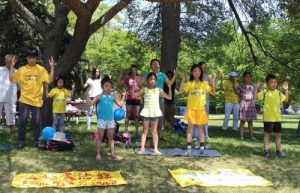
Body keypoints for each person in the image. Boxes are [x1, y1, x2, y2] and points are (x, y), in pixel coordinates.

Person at [9, 47, 55, 149]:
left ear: (36, 58)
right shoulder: (22, 69)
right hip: (24, 100)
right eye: (30, 57)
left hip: (37, 101)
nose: (31, 60)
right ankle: (21, 141)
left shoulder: (41, 69)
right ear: (27, 58)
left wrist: (52, 68)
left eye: (34, 57)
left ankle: (37, 141)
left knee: (37, 123)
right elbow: (12, 79)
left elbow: (49, 80)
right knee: (22, 122)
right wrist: (12, 66)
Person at [179, 64, 216, 154]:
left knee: (201, 129)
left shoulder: (204, 83)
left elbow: (213, 93)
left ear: (201, 72)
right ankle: (189, 149)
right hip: (191, 109)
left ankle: (202, 149)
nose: (197, 72)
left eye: (199, 71)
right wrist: (183, 80)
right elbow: (180, 92)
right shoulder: (190, 83)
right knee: (190, 128)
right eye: (195, 70)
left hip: (201, 110)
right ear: (192, 72)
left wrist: (213, 83)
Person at [86, 75, 125, 160]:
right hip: (101, 120)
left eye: (110, 86)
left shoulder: (112, 96)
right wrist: (86, 95)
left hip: (110, 120)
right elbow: (90, 104)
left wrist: (124, 96)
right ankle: (98, 154)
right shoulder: (99, 96)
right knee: (100, 137)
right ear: (102, 86)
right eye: (106, 86)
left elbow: (120, 104)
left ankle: (113, 154)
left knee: (111, 137)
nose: (108, 88)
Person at [132, 72, 172, 155]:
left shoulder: (159, 90)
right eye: (150, 79)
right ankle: (142, 148)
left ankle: (156, 149)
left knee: (154, 131)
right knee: (145, 131)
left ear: (156, 81)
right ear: (147, 81)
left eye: (154, 79)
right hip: (146, 112)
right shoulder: (144, 89)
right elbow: (133, 96)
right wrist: (133, 85)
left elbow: (169, 97)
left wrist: (169, 87)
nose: (152, 81)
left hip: (155, 112)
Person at [256, 74, 289, 158]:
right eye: (271, 82)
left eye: (275, 82)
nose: (274, 84)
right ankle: (266, 151)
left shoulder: (278, 92)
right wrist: (256, 88)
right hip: (268, 118)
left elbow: (286, 100)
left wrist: (286, 90)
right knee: (267, 135)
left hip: (277, 118)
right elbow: (255, 97)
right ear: (267, 84)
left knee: (278, 135)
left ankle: (278, 151)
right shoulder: (264, 93)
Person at [143, 59, 176, 141]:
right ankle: (149, 135)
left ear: (159, 65)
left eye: (157, 64)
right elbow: (140, 82)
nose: (155, 65)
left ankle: (160, 135)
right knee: (149, 116)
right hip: (150, 98)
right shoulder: (148, 74)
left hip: (160, 98)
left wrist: (175, 75)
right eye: (153, 64)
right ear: (151, 66)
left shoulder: (162, 75)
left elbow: (169, 83)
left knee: (160, 116)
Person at [198, 61, 221, 138]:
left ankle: (206, 134)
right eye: (203, 67)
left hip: (206, 100)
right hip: (197, 101)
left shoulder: (207, 77)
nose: (204, 69)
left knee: (206, 117)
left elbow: (213, 83)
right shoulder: (196, 76)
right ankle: (197, 134)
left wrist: (218, 76)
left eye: (205, 67)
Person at [0, 54, 18, 137]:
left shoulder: (17, 72)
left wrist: (13, 92)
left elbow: (20, 87)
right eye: (7, 62)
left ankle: (13, 133)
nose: (9, 63)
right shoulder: (0, 70)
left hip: (11, 98)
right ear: (5, 61)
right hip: (0, 96)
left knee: (11, 116)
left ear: (14, 62)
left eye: (11, 62)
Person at [236, 71, 257, 140]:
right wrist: (240, 96)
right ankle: (241, 136)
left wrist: (257, 87)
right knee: (242, 121)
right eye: (246, 76)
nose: (248, 78)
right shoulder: (241, 85)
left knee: (250, 121)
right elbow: (237, 93)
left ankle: (251, 136)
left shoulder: (253, 86)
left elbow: (255, 96)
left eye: (249, 77)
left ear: (251, 78)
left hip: (251, 104)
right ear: (243, 77)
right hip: (243, 104)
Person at [122, 65, 142, 134]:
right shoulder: (128, 78)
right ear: (130, 70)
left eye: (135, 70)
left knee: (136, 115)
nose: (134, 71)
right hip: (129, 98)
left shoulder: (139, 78)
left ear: (137, 71)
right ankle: (126, 130)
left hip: (137, 98)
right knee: (128, 114)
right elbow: (121, 84)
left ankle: (137, 131)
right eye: (133, 69)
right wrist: (121, 73)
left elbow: (141, 87)